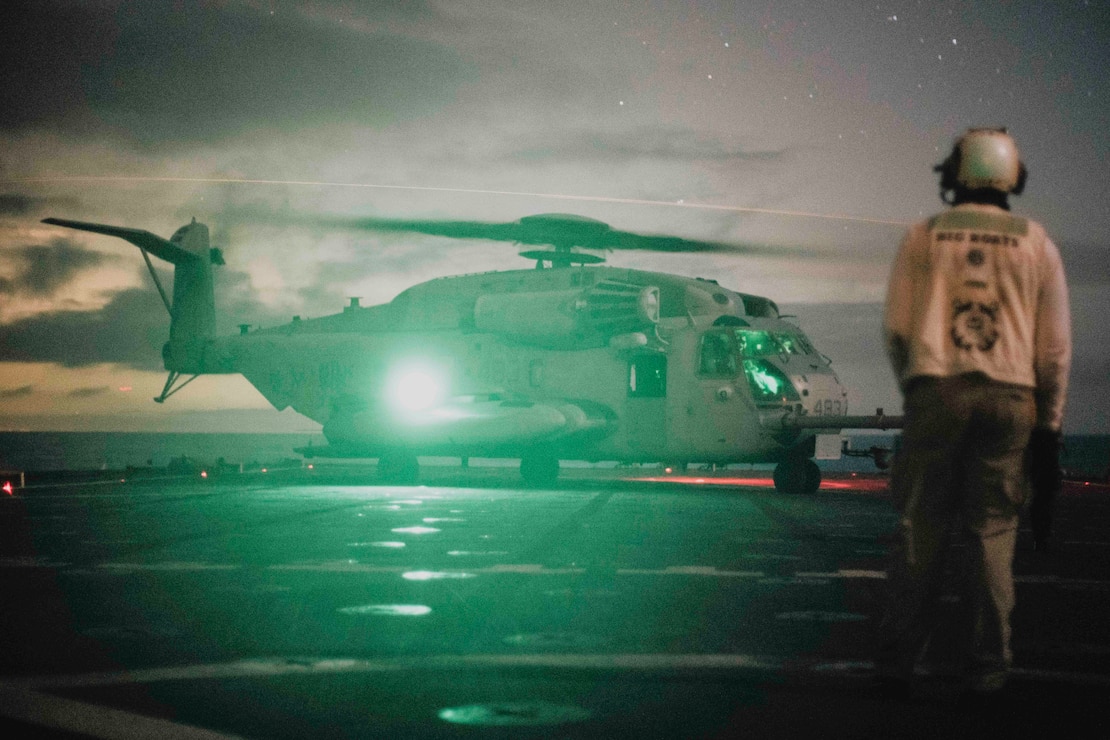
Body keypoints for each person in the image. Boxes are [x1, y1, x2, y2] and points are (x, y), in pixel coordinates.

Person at [876, 128, 1072, 698]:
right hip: (1012, 397)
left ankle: (896, 663)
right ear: (1014, 178)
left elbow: (895, 329)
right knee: (993, 533)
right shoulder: (1037, 243)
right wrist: (1049, 427)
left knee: (921, 529)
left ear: (954, 174)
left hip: (937, 391)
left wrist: (918, 386)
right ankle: (987, 670)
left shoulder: (923, 237)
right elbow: (1054, 350)